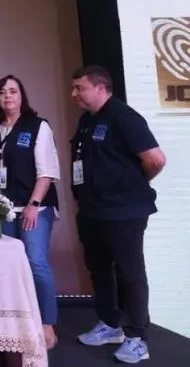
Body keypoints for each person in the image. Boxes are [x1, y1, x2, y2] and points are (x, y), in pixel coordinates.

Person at [70, 66, 166, 365]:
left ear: (101, 88)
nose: (74, 94)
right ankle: (110, 324)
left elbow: (155, 159)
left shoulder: (125, 118)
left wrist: (131, 184)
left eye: (79, 88)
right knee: (99, 268)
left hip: (124, 211)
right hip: (93, 209)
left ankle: (138, 338)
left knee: (129, 273)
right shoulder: (87, 121)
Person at [0, 75, 61, 351]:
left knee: (35, 261)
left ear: (22, 96)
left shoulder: (37, 126)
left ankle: (47, 323)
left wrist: (33, 204)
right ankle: (15, 321)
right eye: (3, 92)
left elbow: (47, 172)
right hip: (5, 209)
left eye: (13, 91)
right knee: (8, 265)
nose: (8, 96)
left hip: (35, 207)